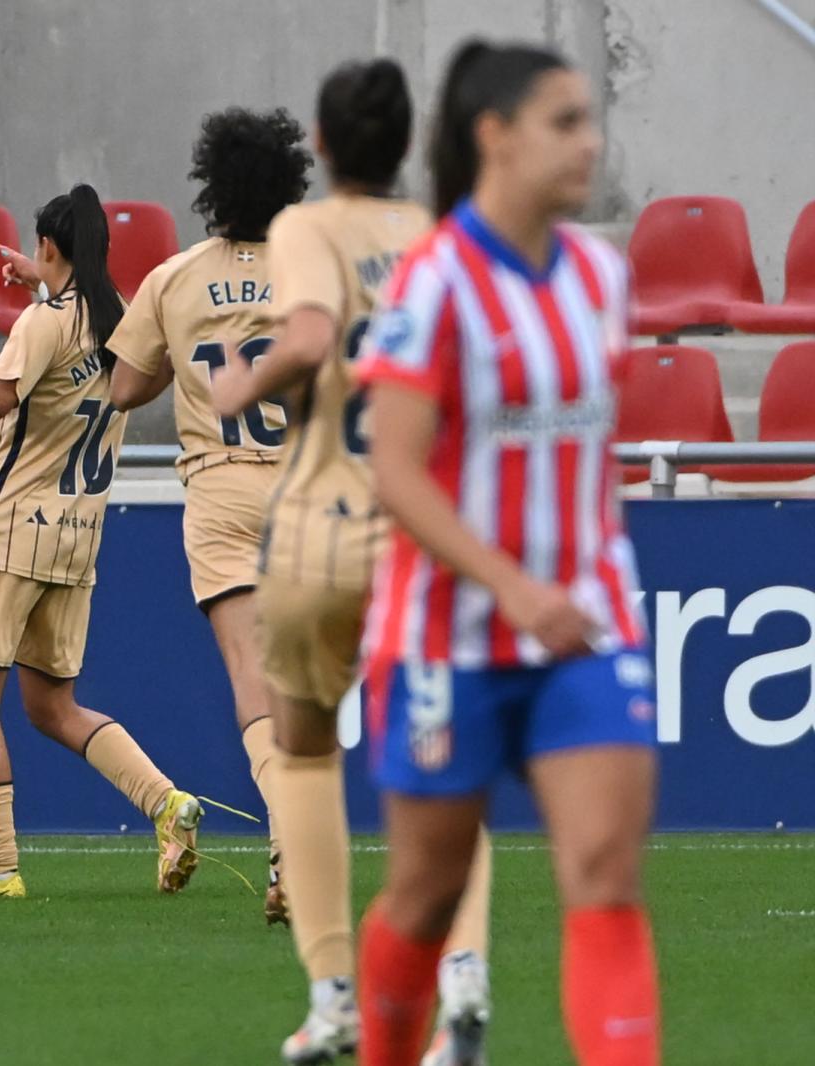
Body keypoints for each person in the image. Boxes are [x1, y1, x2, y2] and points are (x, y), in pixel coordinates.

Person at [348, 40, 659, 1066]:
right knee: (427, 893)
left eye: (588, 120)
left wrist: (566, 580)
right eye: (564, 122)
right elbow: (396, 471)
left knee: (605, 874)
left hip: (585, 624)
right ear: (495, 136)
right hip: (446, 638)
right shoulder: (433, 283)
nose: (589, 143)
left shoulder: (603, 276)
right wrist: (512, 586)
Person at [210, 61, 494, 1065]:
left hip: (321, 530)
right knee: (444, 767)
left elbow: (310, 335)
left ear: (323, 146)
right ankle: (464, 972)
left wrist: (244, 385)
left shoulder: (306, 229)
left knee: (304, 753)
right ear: (408, 142)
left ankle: (333, 994)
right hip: (421, 534)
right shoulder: (442, 237)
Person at [0, 183, 204, 903]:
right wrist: (42, 279)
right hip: (77, 537)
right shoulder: (122, 319)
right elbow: (81, 346)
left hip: (10, 530)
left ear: (49, 245)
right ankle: (166, 801)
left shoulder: (43, 322)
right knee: (52, 706)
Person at [107, 106, 310, 921]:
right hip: (309, 489)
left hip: (222, 489)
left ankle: (288, 831)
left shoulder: (175, 277)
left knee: (252, 683)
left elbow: (125, 387)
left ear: (211, 187)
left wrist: (184, 358)